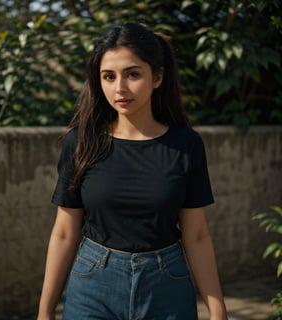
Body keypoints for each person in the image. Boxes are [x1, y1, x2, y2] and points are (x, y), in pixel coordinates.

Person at [37, 22, 228, 320]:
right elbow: (64, 232)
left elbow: (198, 235)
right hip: (92, 285)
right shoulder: (81, 142)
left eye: (133, 74)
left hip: (166, 286)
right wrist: (44, 311)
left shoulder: (185, 144)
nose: (120, 88)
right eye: (108, 77)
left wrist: (218, 311)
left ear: (157, 78)